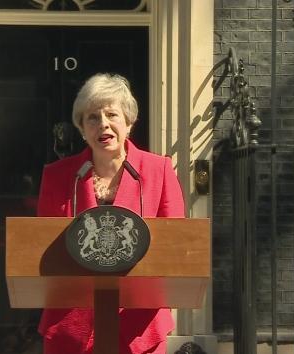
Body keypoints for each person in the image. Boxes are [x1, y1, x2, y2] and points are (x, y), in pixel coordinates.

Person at [36, 73, 185, 354]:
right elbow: (40, 247)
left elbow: (177, 247)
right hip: (71, 327)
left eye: (112, 114)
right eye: (92, 117)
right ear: (82, 128)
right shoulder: (57, 176)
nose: (102, 123)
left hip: (138, 328)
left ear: (128, 122)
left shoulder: (158, 171)